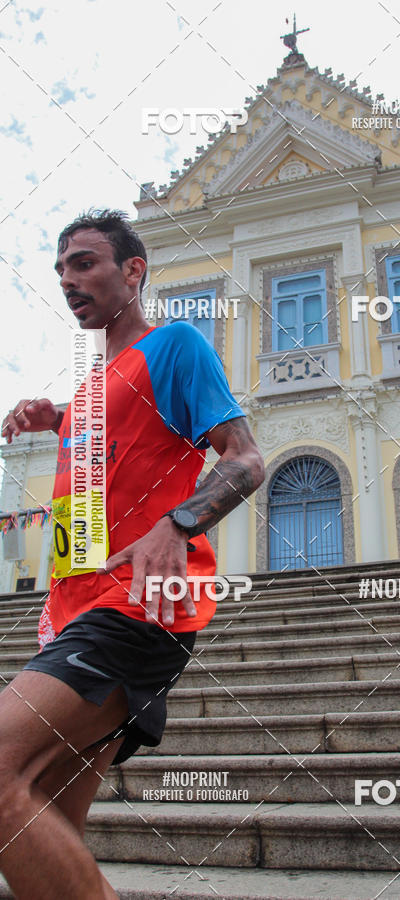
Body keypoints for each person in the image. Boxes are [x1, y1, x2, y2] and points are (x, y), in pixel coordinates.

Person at [0, 209, 264, 899]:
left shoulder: (176, 345)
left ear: (133, 272)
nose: (68, 279)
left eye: (84, 262)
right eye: (60, 268)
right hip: (73, 610)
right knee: (41, 822)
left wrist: (179, 522)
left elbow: (245, 460)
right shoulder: (92, 387)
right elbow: (116, 446)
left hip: (136, 608)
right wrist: (56, 418)